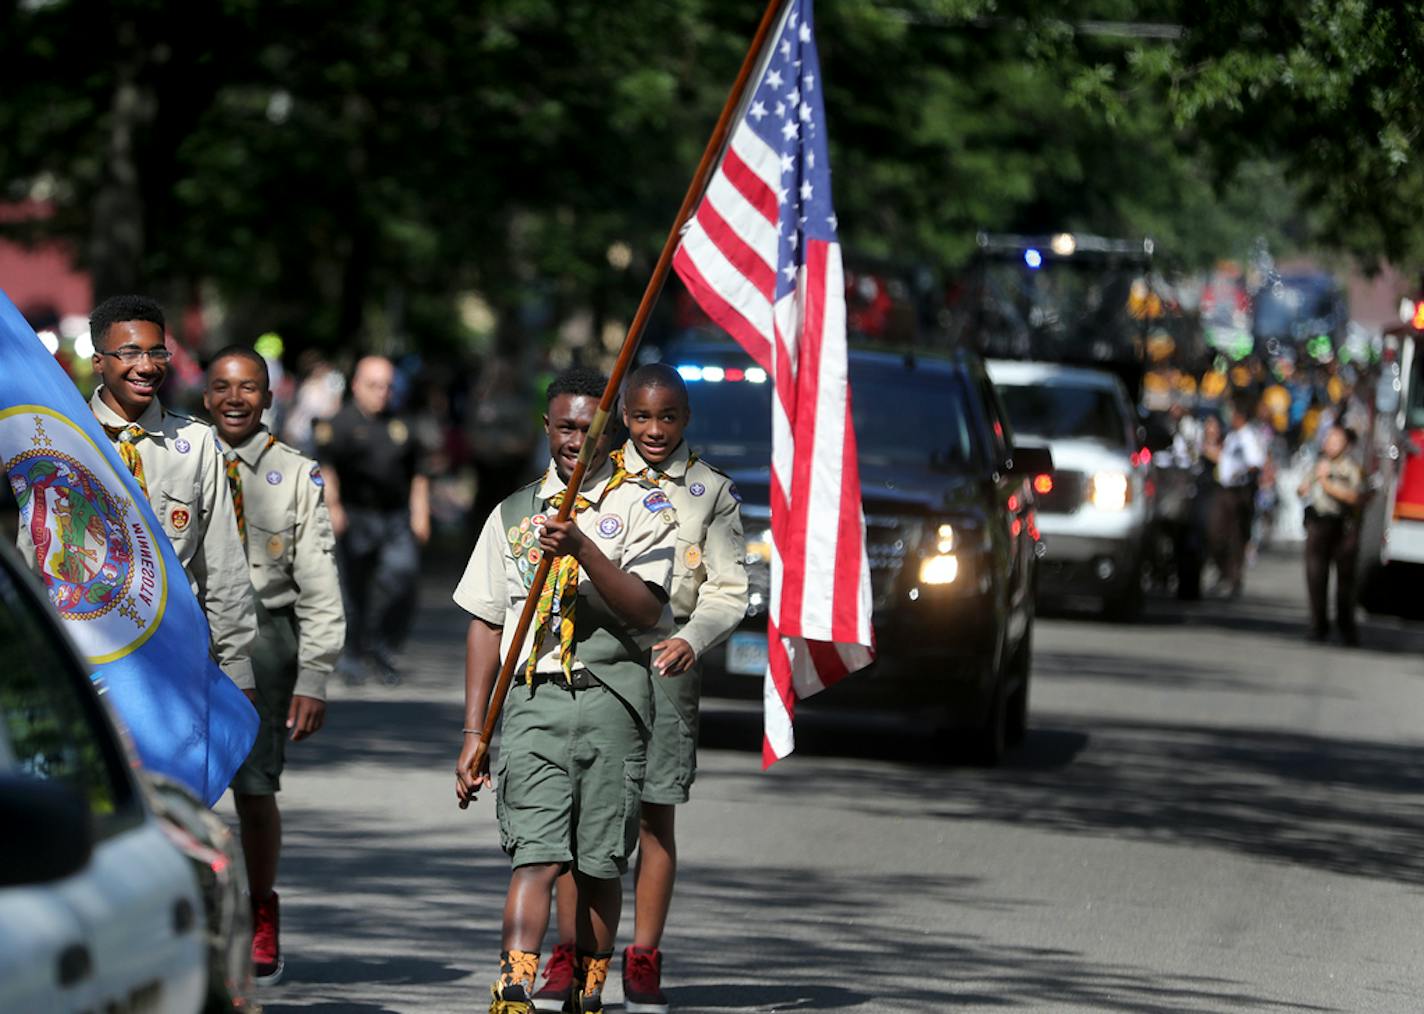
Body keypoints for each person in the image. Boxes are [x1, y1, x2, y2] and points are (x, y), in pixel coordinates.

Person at [453, 367, 677, 1014]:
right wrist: (475, 733)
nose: (578, 438)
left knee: (600, 862)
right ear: (547, 429)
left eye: (591, 425)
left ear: (612, 427)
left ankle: (588, 990)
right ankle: (514, 985)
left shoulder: (643, 506)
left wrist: (584, 548)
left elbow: (645, 611)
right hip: (532, 700)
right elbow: (486, 622)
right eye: (566, 426)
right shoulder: (513, 513)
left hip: (611, 698)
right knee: (536, 854)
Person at [533, 364, 748, 1013]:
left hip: (665, 659)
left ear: (686, 420)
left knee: (654, 813)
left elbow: (728, 587)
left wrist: (695, 637)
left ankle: (644, 956)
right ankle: (569, 951)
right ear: (622, 416)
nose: (654, 431)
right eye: (642, 417)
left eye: (669, 418)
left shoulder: (710, 491)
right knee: (575, 814)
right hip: (591, 655)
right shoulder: (592, 475)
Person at [21, 295, 257, 691]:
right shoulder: (60, 443)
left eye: (157, 352)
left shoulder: (197, 443)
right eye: (129, 353)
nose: (146, 366)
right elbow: (34, 560)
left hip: (175, 658)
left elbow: (222, 567)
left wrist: (238, 668)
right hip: (88, 659)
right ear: (99, 361)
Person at [203, 346, 347, 985]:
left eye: (249, 388)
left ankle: (262, 909)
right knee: (183, 788)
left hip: (265, 641)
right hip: (188, 639)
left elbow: (318, 579)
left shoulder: (293, 474)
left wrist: (314, 673)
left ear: (269, 397)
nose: (236, 399)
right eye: (223, 387)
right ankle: (196, 917)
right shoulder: (179, 459)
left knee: (255, 787)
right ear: (205, 396)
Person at [314, 355, 432, 684]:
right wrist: (333, 507)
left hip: (395, 517)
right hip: (355, 514)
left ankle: (382, 647)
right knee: (352, 587)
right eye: (374, 385)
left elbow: (419, 473)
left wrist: (421, 513)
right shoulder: (339, 423)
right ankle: (352, 653)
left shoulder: (403, 424)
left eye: (387, 386)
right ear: (356, 386)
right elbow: (327, 468)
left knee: (402, 575)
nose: (382, 392)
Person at [1298, 424, 1366, 645]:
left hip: (1341, 526)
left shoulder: (1351, 468)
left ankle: (1346, 627)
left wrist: (1327, 483)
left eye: (1335, 440)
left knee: (1344, 582)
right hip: (1317, 524)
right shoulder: (1318, 464)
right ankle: (1318, 624)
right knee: (1315, 576)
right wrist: (1306, 486)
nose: (1329, 443)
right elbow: (1302, 488)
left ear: (1345, 444)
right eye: (1327, 439)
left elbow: (1356, 497)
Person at [1206, 404, 1265, 597]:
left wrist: (1240, 473)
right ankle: (1224, 573)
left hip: (1238, 492)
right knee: (1217, 534)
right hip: (1224, 489)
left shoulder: (1248, 436)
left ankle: (1233, 578)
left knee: (1235, 537)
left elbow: (1255, 462)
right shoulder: (1233, 436)